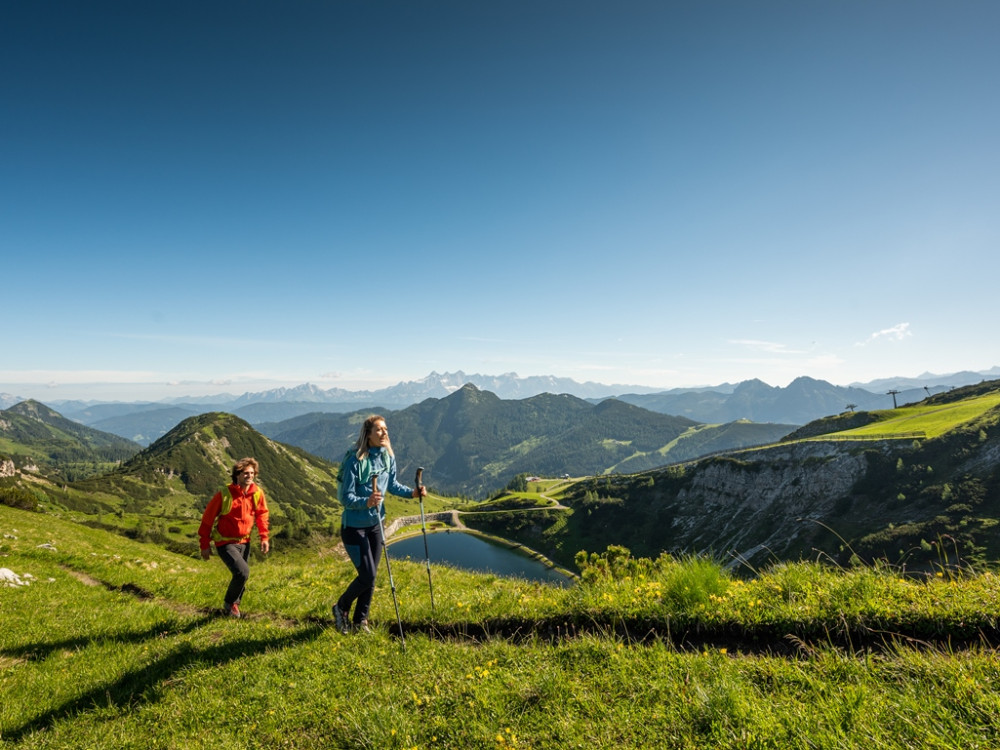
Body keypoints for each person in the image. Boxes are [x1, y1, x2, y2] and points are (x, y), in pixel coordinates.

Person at [333, 415, 426, 634]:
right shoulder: (355, 460)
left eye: (385, 429)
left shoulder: (387, 457)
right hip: (354, 527)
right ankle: (341, 607)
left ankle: (360, 621)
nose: (384, 433)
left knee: (371, 574)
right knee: (368, 575)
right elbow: (345, 498)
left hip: (376, 524)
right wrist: (366, 502)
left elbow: (391, 485)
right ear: (367, 434)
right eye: (379, 430)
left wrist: (412, 493)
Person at [198, 457, 270, 618]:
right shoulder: (224, 494)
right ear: (237, 475)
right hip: (225, 542)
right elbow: (208, 519)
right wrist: (204, 544)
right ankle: (229, 603)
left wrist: (264, 537)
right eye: (245, 473)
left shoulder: (257, 493)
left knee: (241, 575)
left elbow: (262, 515)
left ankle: (233, 607)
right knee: (242, 572)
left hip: (245, 541)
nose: (249, 476)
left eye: (252, 473)